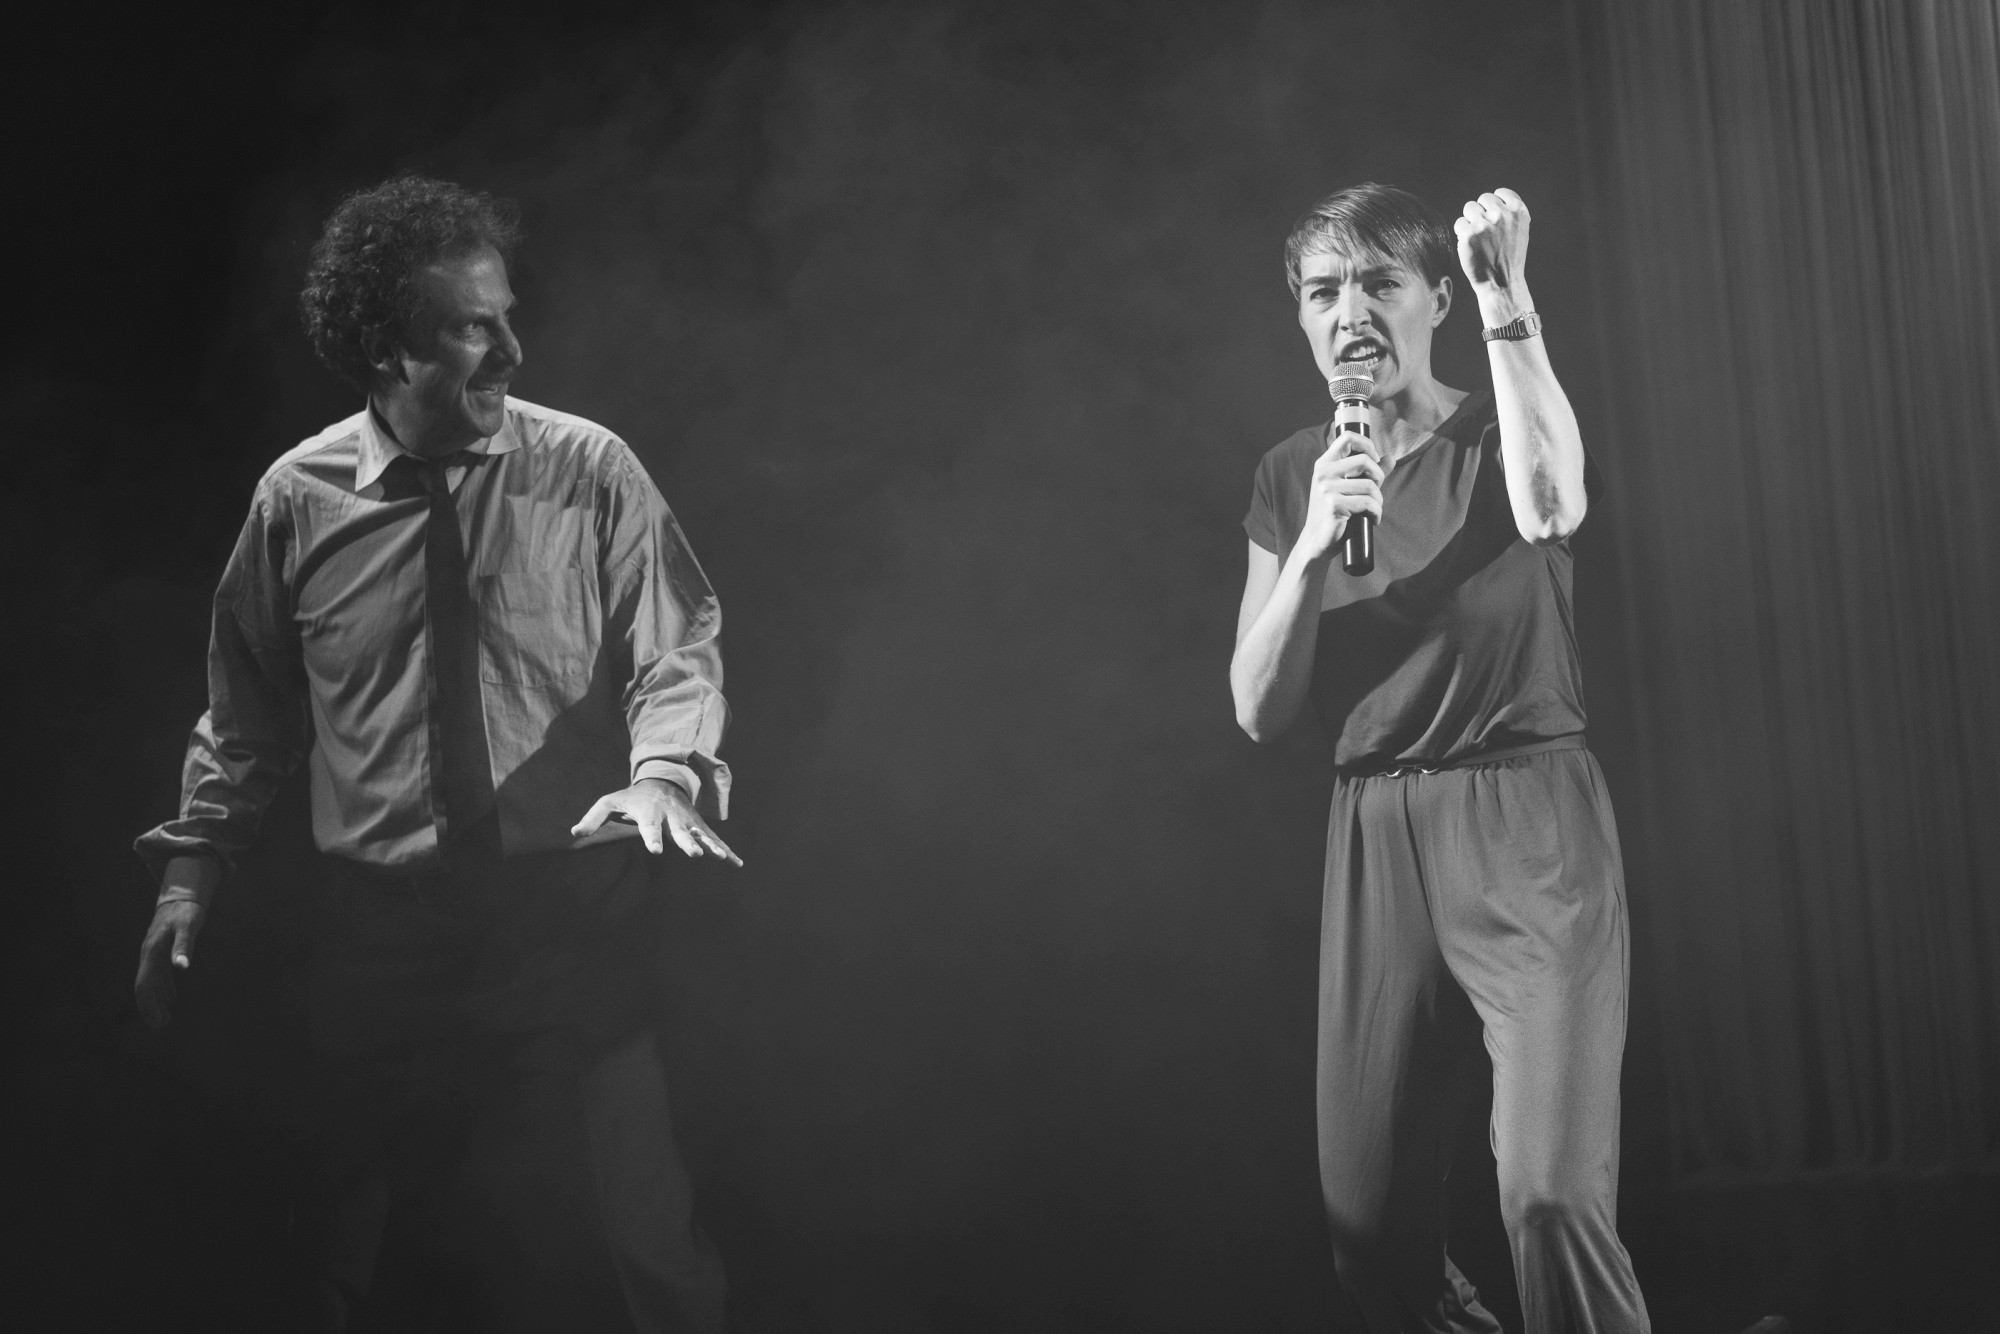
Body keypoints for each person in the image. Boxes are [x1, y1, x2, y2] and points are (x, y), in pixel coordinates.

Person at [132, 174, 739, 1333]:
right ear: (384, 348)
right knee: (334, 1242)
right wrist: (189, 874)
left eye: (506, 316)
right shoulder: (296, 499)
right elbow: (246, 716)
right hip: (382, 937)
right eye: (472, 326)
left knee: (644, 1240)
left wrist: (663, 771)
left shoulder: (590, 468)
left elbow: (676, 647)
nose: (511, 348)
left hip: (565, 917)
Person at [1229, 182, 1651, 1333]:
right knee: (1369, 1236)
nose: (1348, 313)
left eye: (1377, 282)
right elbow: (1258, 708)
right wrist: (1310, 549)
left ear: (1434, 301)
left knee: (1549, 1199)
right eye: (1321, 291)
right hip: (1374, 838)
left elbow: (1550, 504)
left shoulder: (1498, 424)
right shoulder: (1292, 474)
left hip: (1524, 820)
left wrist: (1506, 291)